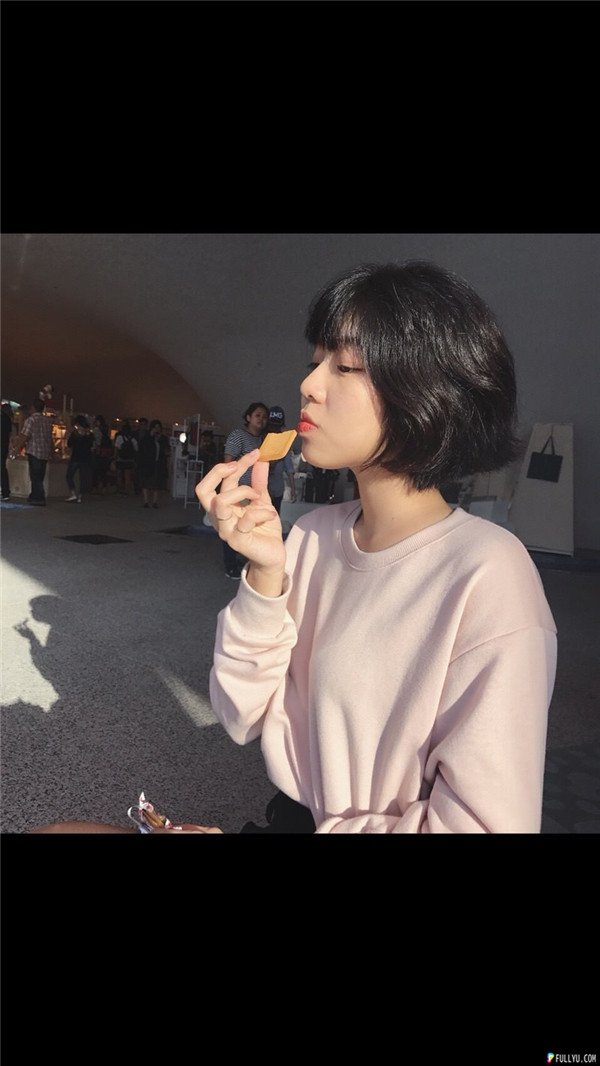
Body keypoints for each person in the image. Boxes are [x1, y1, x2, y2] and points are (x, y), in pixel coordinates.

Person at [30, 260, 558, 835]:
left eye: (345, 365)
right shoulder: (312, 534)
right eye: (314, 364)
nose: (309, 385)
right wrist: (264, 574)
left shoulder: (486, 573)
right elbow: (239, 712)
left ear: (427, 392)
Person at [220, 402, 268, 579]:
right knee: (232, 526)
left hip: (253, 491)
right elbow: (228, 462)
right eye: (257, 415)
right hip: (237, 489)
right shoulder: (238, 435)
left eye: (264, 417)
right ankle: (230, 566)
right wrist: (231, 487)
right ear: (248, 417)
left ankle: (240, 561)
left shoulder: (261, 440)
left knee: (248, 527)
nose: (261, 419)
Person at [15, 398, 53, 506]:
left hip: (34, 451)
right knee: (40, 475)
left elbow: (24, 436)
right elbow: (50, 438)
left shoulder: (30, 420)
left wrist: (17, 448)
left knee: (35, 476)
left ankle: (39, 498)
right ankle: (34, 495)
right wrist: (52, 451)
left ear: (33, 408)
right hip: (44, 452)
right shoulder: (47, 421)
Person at [264, 406, 297, 514]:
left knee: (274, 516)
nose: (274, 431)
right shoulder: (260, 440)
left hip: (277, 489)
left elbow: (289, 469)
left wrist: (293, 490)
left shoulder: (283, 443)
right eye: (271, 427)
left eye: (277, 428)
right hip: (261, 489)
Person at [138, 419, 171, 508]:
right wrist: (150, 435)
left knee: (157, 483)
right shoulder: (147, 437)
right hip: (148, 463)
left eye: (158, 427)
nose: (157, 429)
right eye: (155, 427)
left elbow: (167, 450)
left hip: (159, 463)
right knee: (146, 482)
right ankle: (146, 501)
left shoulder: (163, 438)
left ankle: (155, 502)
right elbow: (142, 447)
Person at [65, 416, 94, 503]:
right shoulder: (89, 434)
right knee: (83, 477)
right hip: (86, 458)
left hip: (76, 457)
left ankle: (73, 493)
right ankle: (80, 496)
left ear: (77, 424)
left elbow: (69, 444)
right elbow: (91, 446)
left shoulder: (75, 434)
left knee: (69, 476)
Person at [114, 420, 138, 495]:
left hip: (121, 459)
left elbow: (116, 448)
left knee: (119, 475)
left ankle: (119, 489)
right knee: (127, 476)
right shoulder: (132, 439)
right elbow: (136, 449)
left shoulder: (119, 437)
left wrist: (115, 457)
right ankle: (127, 490)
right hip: (129, 460)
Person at [1, 401, 13, 500]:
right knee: (2, 468)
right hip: (4, 447)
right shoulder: (8, 420)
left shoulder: (2, 419)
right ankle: (5, 492)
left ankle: (5, 492)